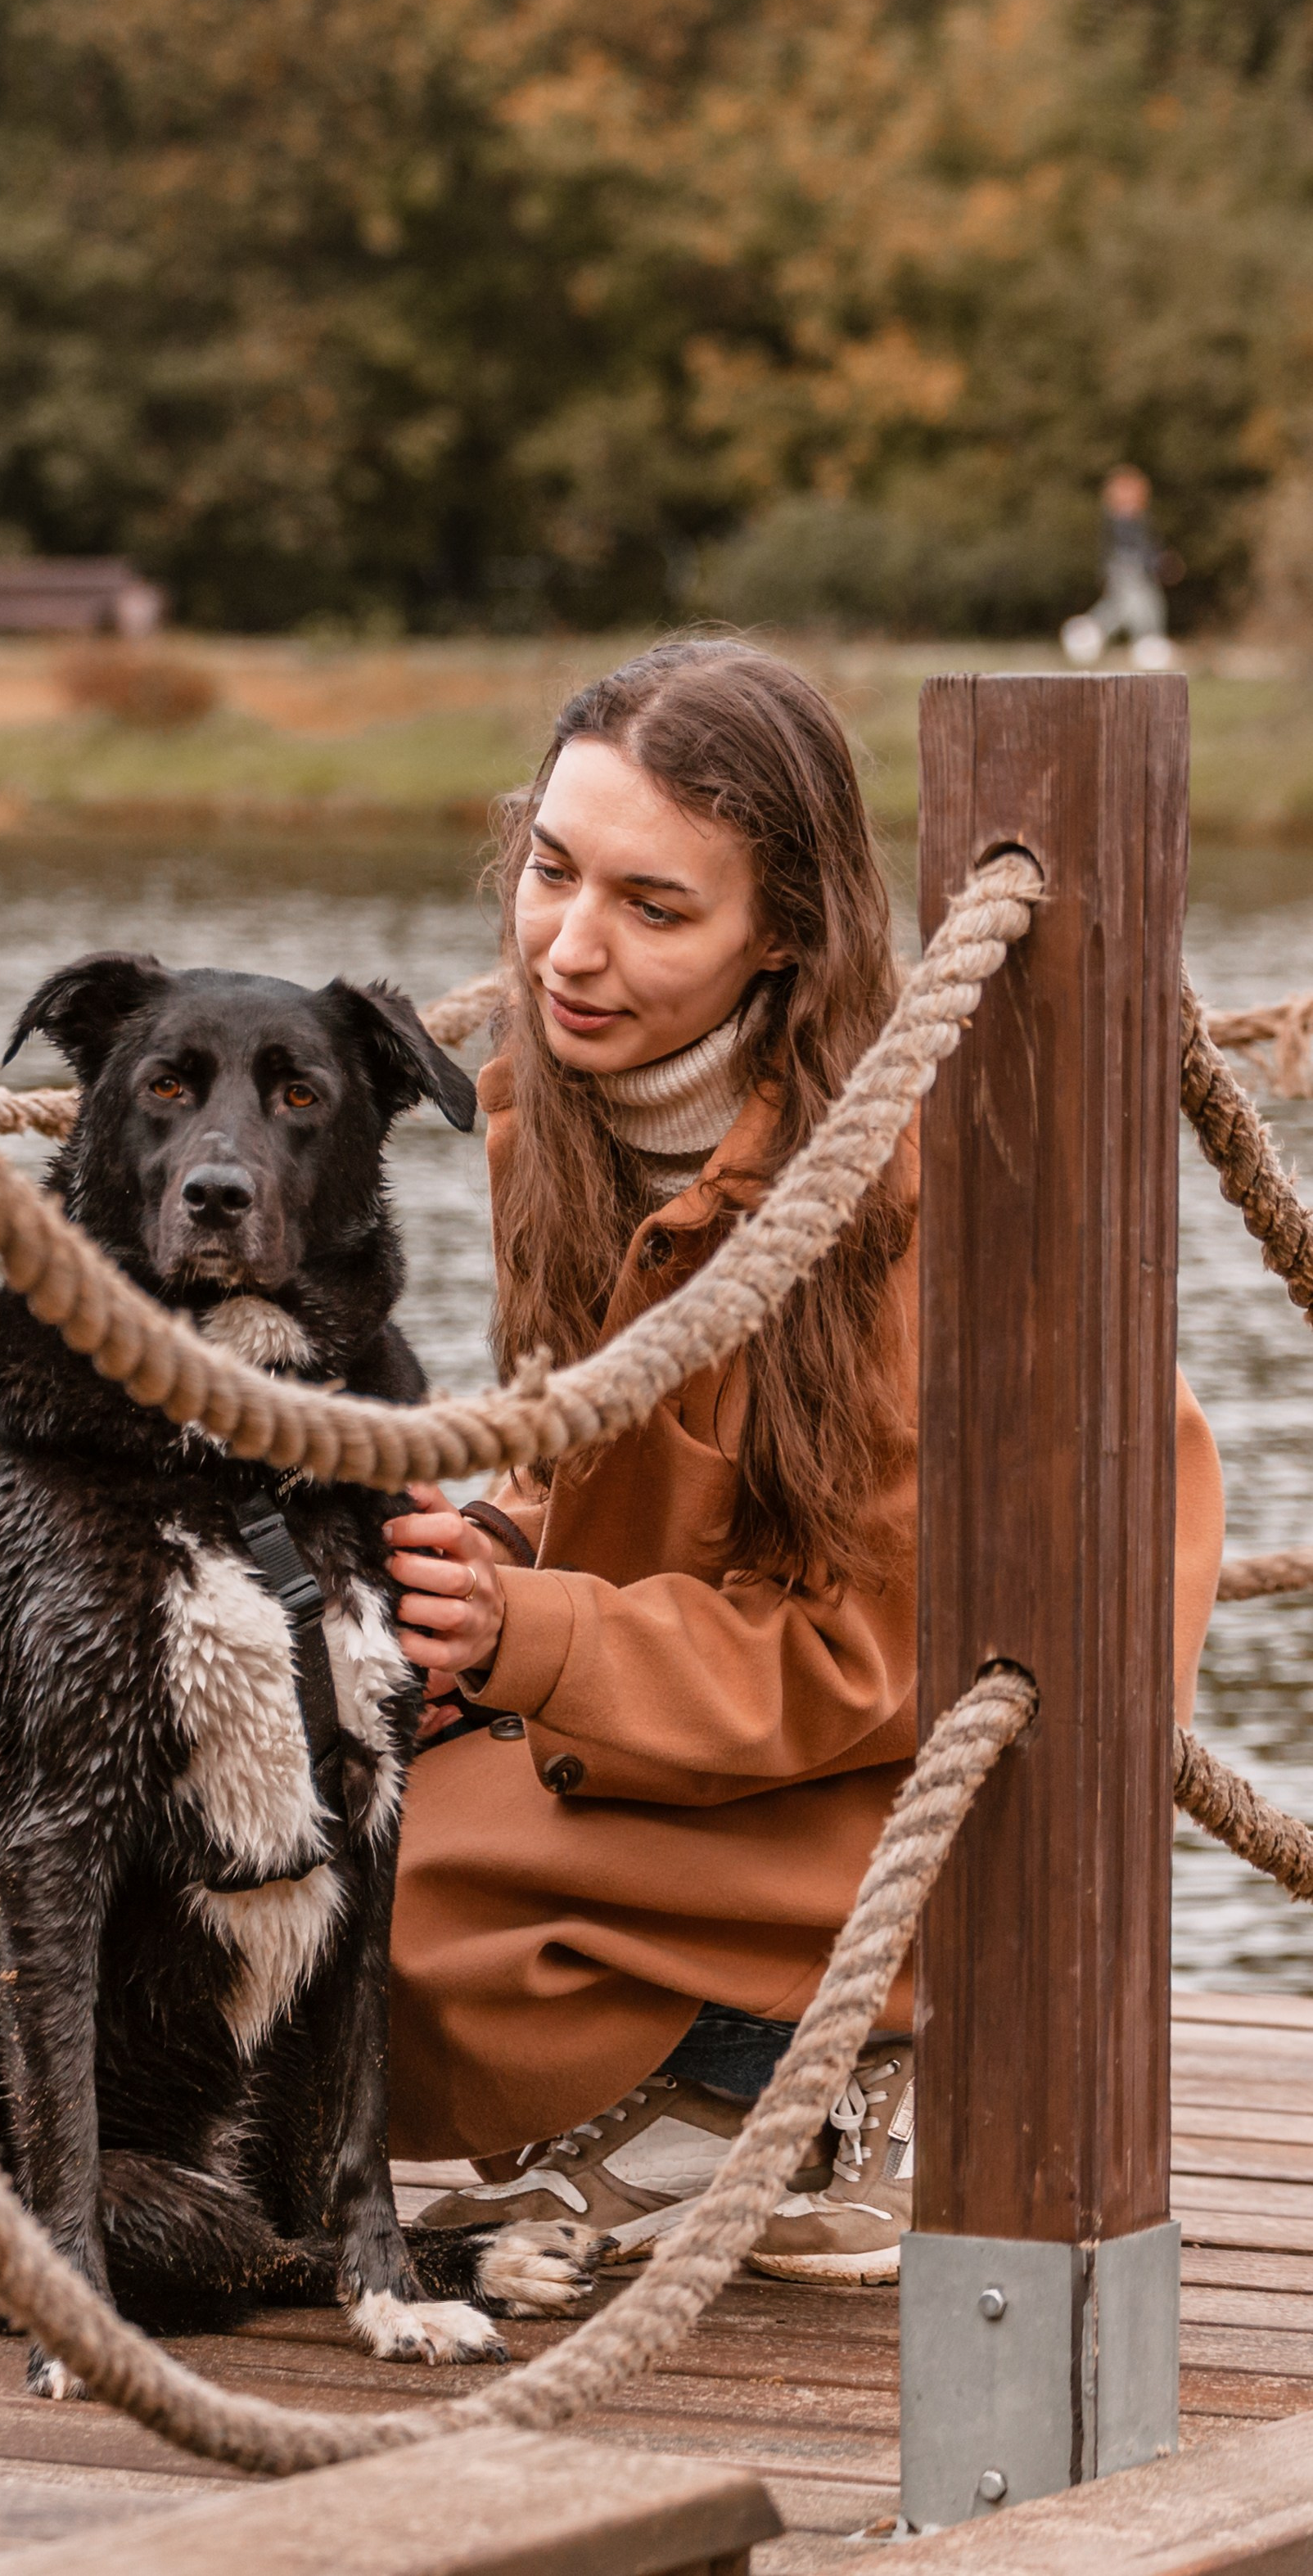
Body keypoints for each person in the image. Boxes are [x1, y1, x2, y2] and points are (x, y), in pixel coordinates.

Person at [382, 639, 1222, 2282]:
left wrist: (523, 1636)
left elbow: (880, 1649)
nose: (565, 945)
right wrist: (459, 1558)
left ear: (781, 927)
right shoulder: (554, 1117)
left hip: (954, 1740)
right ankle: (700, 2068)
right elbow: (601, 1456)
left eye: (651, 903)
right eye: (548, 869)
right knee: (279, 1855)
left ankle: (782, 2081)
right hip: (696, 1703)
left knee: (395, 1920)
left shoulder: (912, 1193)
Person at [1062, 467, 1180, 669]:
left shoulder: (1139, 520)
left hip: (1137, 574)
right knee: (1135, 608)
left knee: (1133, 608)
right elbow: (1134, 551)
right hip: (1126, 573)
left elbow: (1148, 548)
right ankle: (1143, 643)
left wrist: (1159, 562)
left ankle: (1139, 641)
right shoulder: (1121, 521)